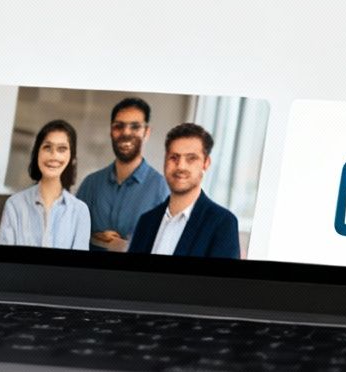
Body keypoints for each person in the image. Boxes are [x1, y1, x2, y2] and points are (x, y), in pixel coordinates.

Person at [128, 122, 240, 259]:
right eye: (174, 157)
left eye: (191, 158)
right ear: (165, 161)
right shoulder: (146, 221)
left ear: (206, 163)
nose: (180, 166)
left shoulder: (222, 223)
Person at [75, 96, 169, 252]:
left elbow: (165, 246)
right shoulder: (90, 184)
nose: (126, 133)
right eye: (119, 126)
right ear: (111, 131)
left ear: (146, 132)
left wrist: (127, 246)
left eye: (135, 127)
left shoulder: (162, 190)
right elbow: (71, 234)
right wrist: (96, 238)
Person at [0, 119, 90, 250]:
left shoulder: (80, 211)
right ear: (37, 153)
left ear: (72, 158)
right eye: (47, 147)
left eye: (62, 149)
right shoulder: (14, 205)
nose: (54, 156)